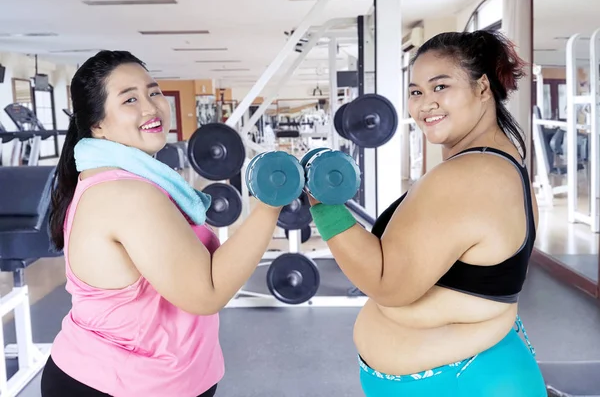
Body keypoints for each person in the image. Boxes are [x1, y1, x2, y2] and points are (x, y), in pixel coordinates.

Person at [308, 30, 547, 396]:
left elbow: (388, 282)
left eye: (440, 87)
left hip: (467, 383)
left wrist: (321, 205)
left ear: (482, 88)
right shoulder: (492, 165)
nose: (425, 104)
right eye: (416, 92)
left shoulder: (473, 175)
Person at [41, 50, 283, 397]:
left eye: (153, 92)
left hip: (152, 379)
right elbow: (206, 292)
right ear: (96, 123)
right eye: (130, 99)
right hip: (114, 386)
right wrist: (269, 206)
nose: (150, 107)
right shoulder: (126, 195)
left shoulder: (123, 181)